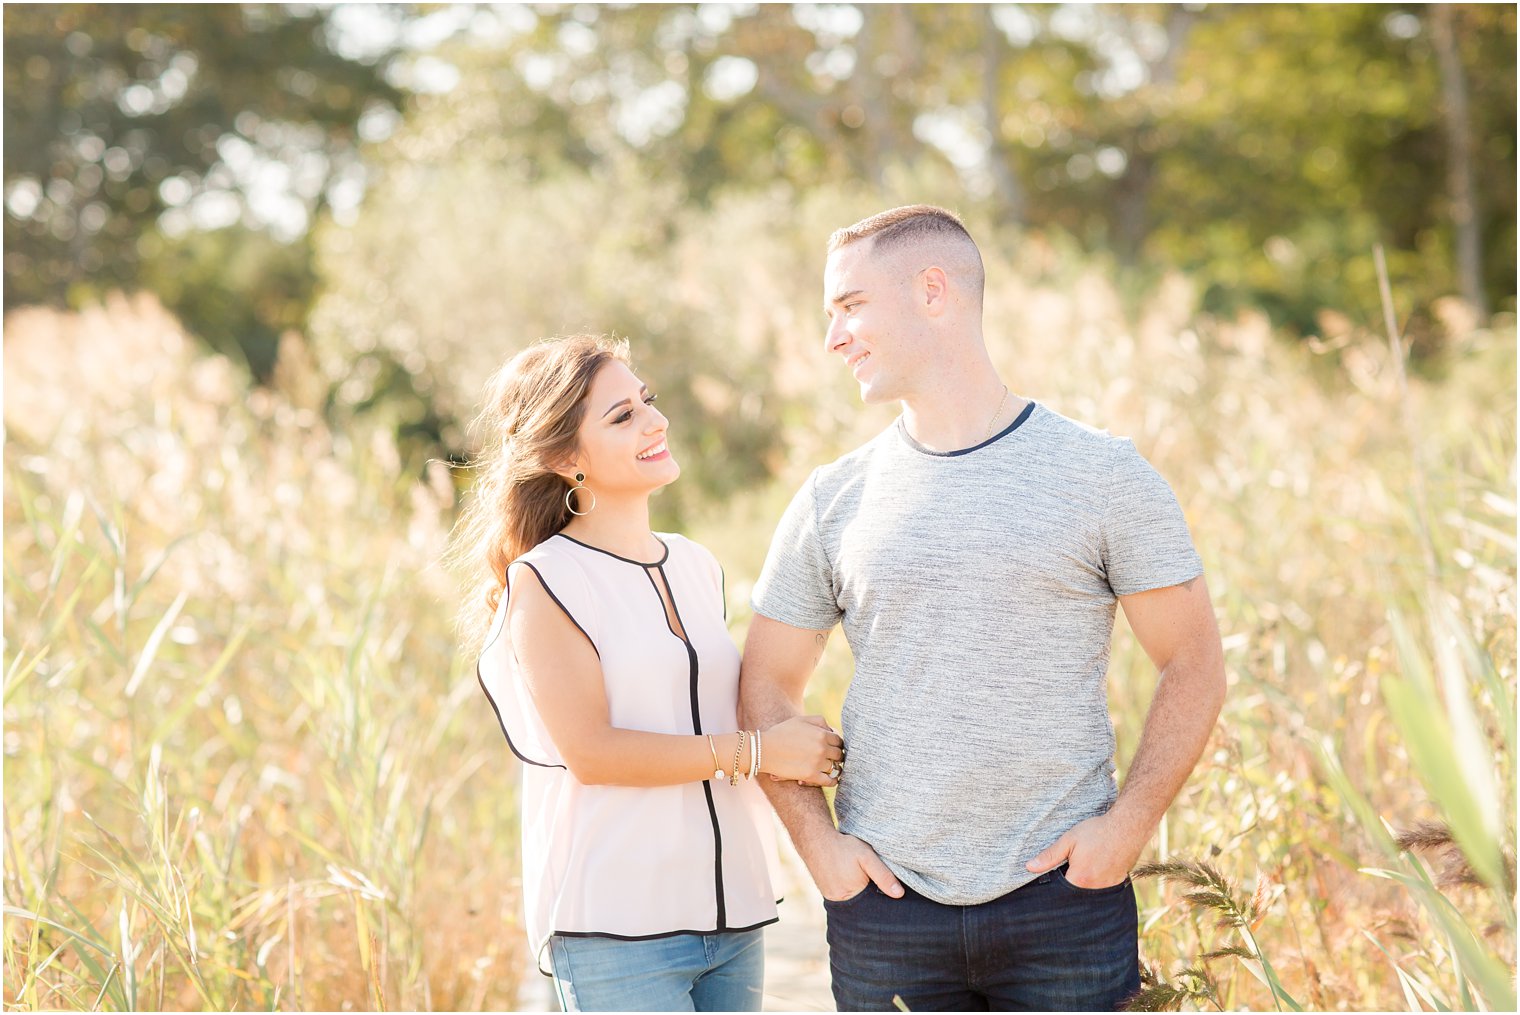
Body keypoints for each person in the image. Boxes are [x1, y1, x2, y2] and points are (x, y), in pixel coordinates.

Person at [740, 206, 1226, 1012]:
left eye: (850, 306)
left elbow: (1194, 662)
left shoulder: (1101, 474)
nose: (834, 339)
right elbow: (764, 684)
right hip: (885, 915)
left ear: (934, 291)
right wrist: (821, 850)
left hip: (1065, 903)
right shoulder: (833, 497)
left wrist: (1127, 828)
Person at [457, 335, 845, 1012]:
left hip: (731, 917)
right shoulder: (545, 581)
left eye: (648, 401)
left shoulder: (696, 565)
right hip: (617, 930)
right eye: (621, 416)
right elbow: (594, 751)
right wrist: (760, 752)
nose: (654, 421)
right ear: (563, 458)